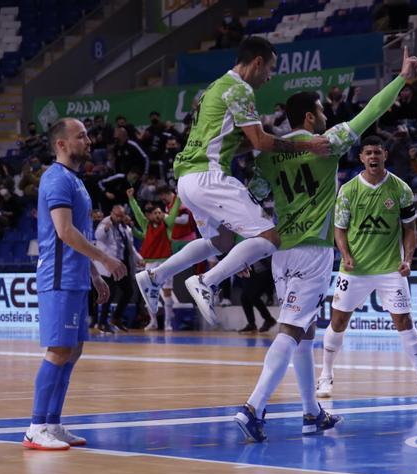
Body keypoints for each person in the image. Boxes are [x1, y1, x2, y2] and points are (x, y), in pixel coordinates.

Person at [233, 48, 417, 443]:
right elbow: (371, 111)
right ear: (309, 117)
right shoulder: (326, 141)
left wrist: (242, 246)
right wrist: (402, 79)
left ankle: (310, 413)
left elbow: (249, 202)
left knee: (305, 330)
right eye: (321, 111)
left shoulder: (271, 155)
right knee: (289, 329)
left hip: (281, 251)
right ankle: (254, 407)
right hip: (313, 252)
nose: (326, 117)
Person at [134, 36, 331, 330]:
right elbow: (260, 141)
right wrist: (308, 146)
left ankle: (154, 276)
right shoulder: (240, 89)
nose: (269, 77)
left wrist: (238, 258)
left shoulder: (215, 87)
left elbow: (236, 143)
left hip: (188, 178)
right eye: (270, 69)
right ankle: (206, 282)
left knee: (222, 241)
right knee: (270, 237)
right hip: (209, 176)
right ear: (257, 62)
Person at [24, 118, 126, 450]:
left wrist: (94, 276)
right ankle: (36, 426)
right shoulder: (55, 179)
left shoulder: (76, 181)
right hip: (58, 277)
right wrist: (106, 261)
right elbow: (65, 232)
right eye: (80, 136)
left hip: (75, 277)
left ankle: (53, 424)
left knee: (74, 350)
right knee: (59, 350)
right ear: (62, 144)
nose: (88, 140)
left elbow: (76, 232)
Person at [318, 136, 417, 400]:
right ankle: (325, 377)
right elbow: (339, 230)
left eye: (377, 152)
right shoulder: (349, 190)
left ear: (384, 155)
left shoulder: (401, 189)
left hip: (390, 269)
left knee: (404, 321)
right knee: (338, 321)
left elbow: (410, 229)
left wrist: (408, 260)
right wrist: (345, 255)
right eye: (368, 153)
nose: (373, 157)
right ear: (361, 158)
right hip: (355, 269)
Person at [128, 188, 180, 331]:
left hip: (165, 262)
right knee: (149, 294)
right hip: (150, 263)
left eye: (160, 212)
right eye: (155, 213)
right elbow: (138, 213)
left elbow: (174, 211)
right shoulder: (145, 225)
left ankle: (168, 323)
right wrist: (132, 199)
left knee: (167, 292)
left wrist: (178, 197)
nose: (158, 215)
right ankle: (154, 322)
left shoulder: (168, 225)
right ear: (150, 215)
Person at [94, 204, 141, 333]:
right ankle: (101, 323)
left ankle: (116, 318)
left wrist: (139, 259)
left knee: (128, 291)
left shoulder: (124, 227)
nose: (119, 218)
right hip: (108, 266)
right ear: (112, 213)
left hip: (121, 265)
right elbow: (98, 236)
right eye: (117, 215)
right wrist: (106, 230)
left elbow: (130, 247)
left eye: (121, 216)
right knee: (110, 293)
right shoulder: (105, 224)